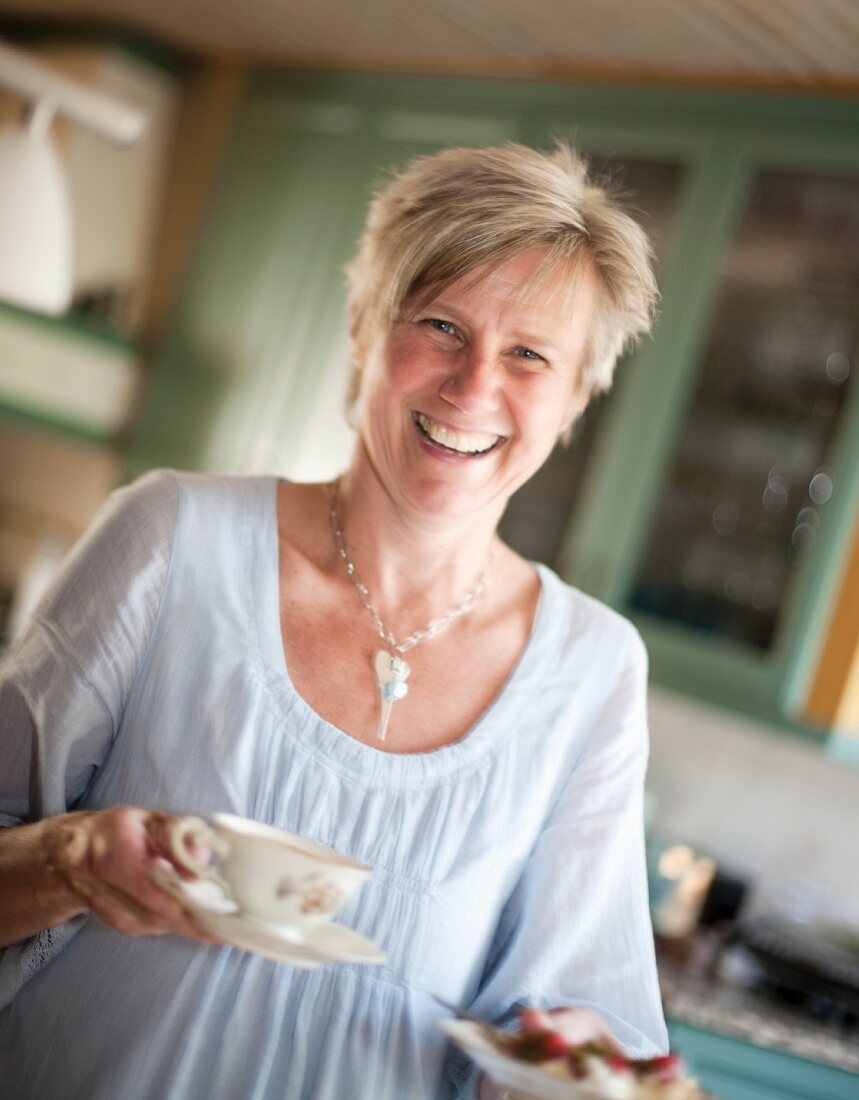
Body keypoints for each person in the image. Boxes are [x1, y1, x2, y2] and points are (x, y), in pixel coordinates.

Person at [0, 141, 667, 1099]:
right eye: (439, 325)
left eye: (528, 354)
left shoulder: (594, 671)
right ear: (361, 326)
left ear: (575, 400)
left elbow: (588, 1018)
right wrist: (70, 861)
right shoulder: (168, 537)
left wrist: (564, 1062)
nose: (474, 385)